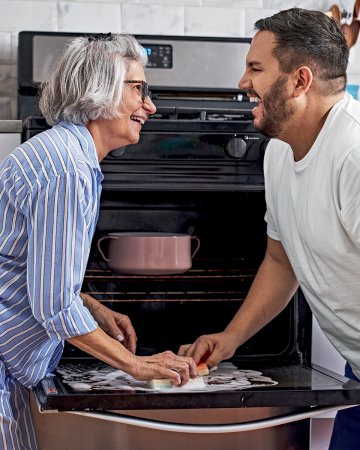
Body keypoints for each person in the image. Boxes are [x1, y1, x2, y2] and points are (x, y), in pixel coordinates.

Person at [0, 33, 197, 450]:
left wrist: (92, 307)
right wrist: (135, 365)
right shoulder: (67, 169)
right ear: (99, 90)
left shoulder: (67, 157)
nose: (151, 106)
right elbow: (53, 305)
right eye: (139, 89)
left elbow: (28, 268)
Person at [178, 7, 360, 450]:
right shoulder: (279, 150)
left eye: (255, 69)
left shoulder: (352, 155)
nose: (242, 83)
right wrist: (230, 339)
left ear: (300, 81)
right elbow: (281, 261)